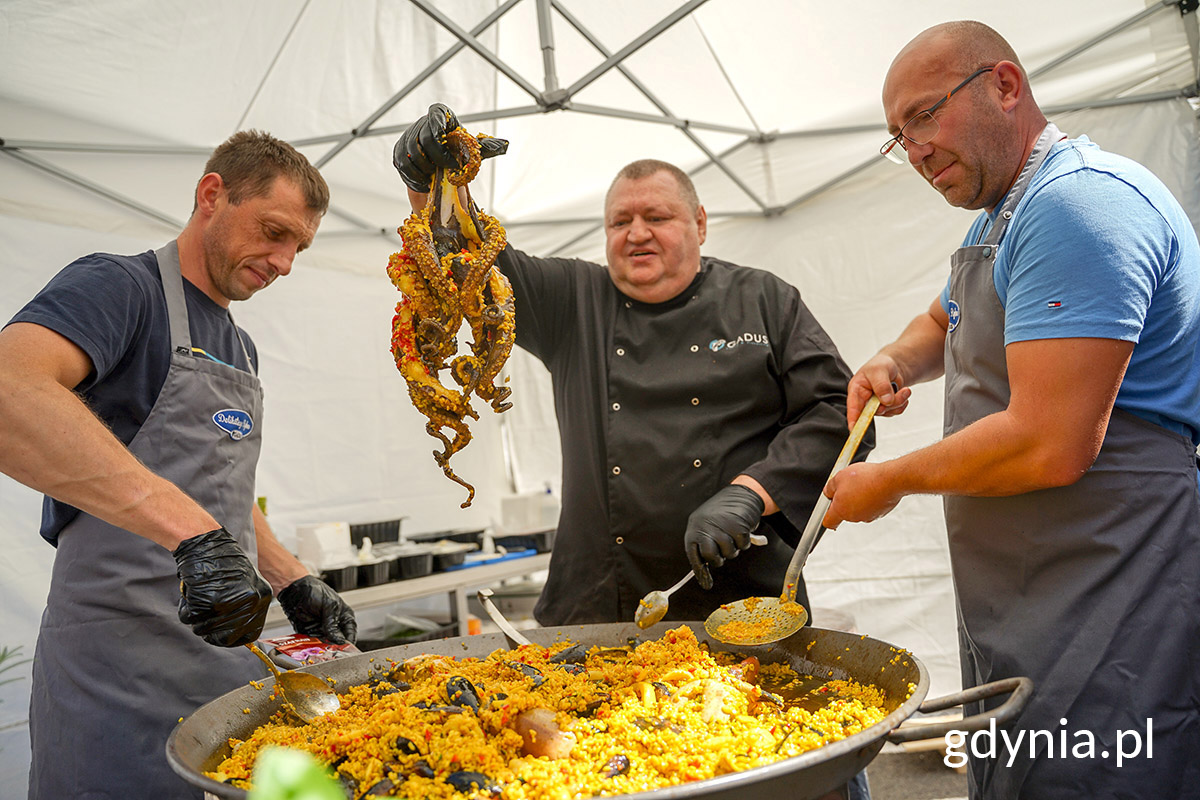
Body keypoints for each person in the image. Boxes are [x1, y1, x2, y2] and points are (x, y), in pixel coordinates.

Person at [822, 20, 1200, 799]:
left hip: (1113, 581)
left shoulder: (1078, 205)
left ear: (1003, 85)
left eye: (925, 116)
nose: (915, 150)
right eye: (899, 136)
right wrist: (894, 360)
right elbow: (943, 318)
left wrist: (888, 480)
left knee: (1102, 774)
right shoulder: (1002, 217)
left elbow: (1048, 441)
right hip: (1032, 588)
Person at [0, 130, 358, 799]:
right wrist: (193, 537)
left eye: (299, 248)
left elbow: (220, 487)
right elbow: (9, 392)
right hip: (116, 674)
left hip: (223, 670)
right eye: (274, 233)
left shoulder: (240, 346)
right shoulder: (120, 288)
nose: (284, 263)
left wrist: (289, 577)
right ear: (211, 195)